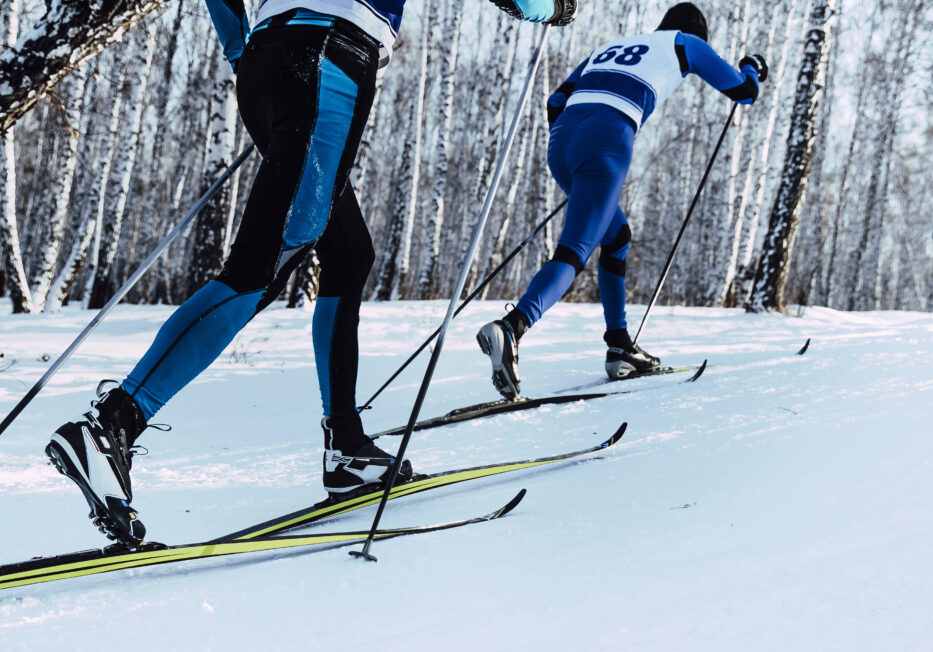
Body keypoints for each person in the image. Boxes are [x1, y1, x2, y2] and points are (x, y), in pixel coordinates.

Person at [44, 0, 578, 546]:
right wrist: (548, 7)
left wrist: (243, 51)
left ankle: (345, 447)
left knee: (348, 254)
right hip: (329, 62)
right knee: (263, 263)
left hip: (274, 61)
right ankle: (114, 423)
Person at [477, 2, 767, 399]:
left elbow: (554, 103)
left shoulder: (614, 45)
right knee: (574, 251)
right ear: (697, 34)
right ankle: (513, 326)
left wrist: (579, 161)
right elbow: (743, 92)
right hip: (607, 140)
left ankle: (620, 345)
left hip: (562, 142)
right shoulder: (687, 43)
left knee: (616, 236)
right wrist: (752, 65)